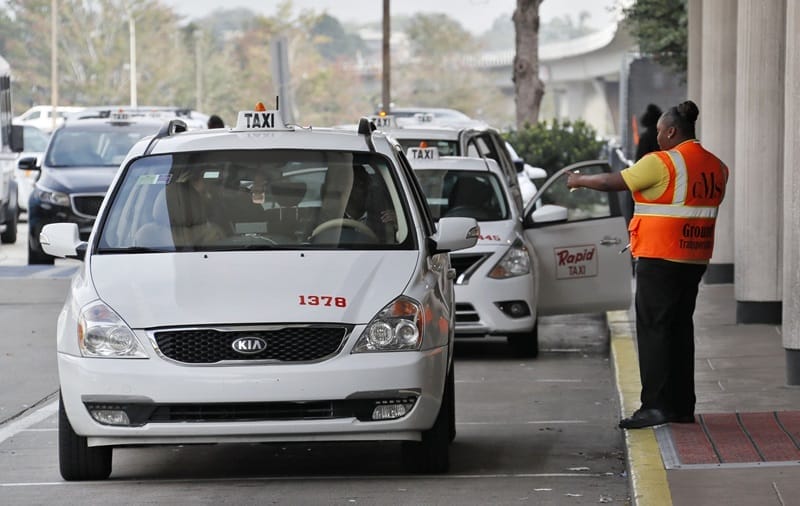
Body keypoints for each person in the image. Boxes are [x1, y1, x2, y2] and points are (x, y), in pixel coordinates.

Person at [566, 100, 729, 429]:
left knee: (655, 331)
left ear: (672, 130)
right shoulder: (717, 166)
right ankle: (682, 406)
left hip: (660, 258)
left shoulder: (662, 162)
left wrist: (579, 179)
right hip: (695, 257)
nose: (656, 137)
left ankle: (654, 407)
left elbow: (615, 181)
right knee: (680, 329)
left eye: (659, 132)